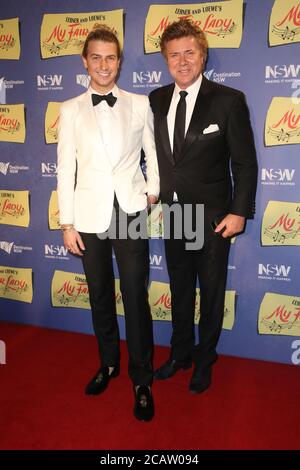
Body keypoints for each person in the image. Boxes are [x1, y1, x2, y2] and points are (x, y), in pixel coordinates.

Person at [149, 19, 257, 393]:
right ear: (166, 59)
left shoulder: (229, 100)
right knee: (179, 288)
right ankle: (179, 354)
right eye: (174, 55)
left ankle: (204, 358)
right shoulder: (156, 99)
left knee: (211, 291)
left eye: (189, 53)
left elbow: (244, 163)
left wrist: (239, 211)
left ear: (202, 55)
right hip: (175, 216)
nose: (182, 61)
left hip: (213, 217)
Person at [57, 25, 159, 421]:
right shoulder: (69, 110)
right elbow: (66, 170)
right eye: (95, 57)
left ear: (119, 61)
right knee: (99, 292)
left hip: (130, 211)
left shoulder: (139, 103)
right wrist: (67, 223)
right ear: (85, 61)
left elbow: (153, 153)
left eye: (110, 57)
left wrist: (152, 192)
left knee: (135, 296)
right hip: (88, 215)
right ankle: (108, 363)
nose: (103, 65)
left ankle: (142, 378)